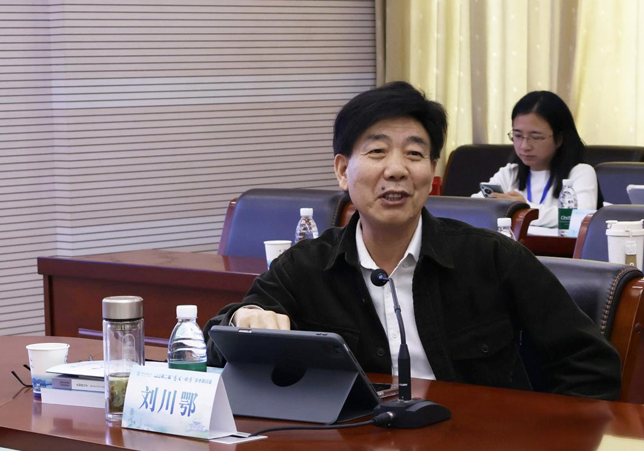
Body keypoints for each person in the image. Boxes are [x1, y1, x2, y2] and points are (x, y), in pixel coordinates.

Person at [203, 81, 621, 400]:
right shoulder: (307, 266)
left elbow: (591, 364)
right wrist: (244, 318)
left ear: (432, 172)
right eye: (377, 152)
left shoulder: (493, 258)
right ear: (342, 170)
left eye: (415, 154)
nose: (397, 170)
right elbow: (218, 345)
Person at [472, 91, 598, 227]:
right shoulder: (510, 173)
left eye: (536, 137)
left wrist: (521, 209)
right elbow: (474, 208)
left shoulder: (581, 173)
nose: (524, 146)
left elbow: (581, 218)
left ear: (559, 139)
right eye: (518, 136)